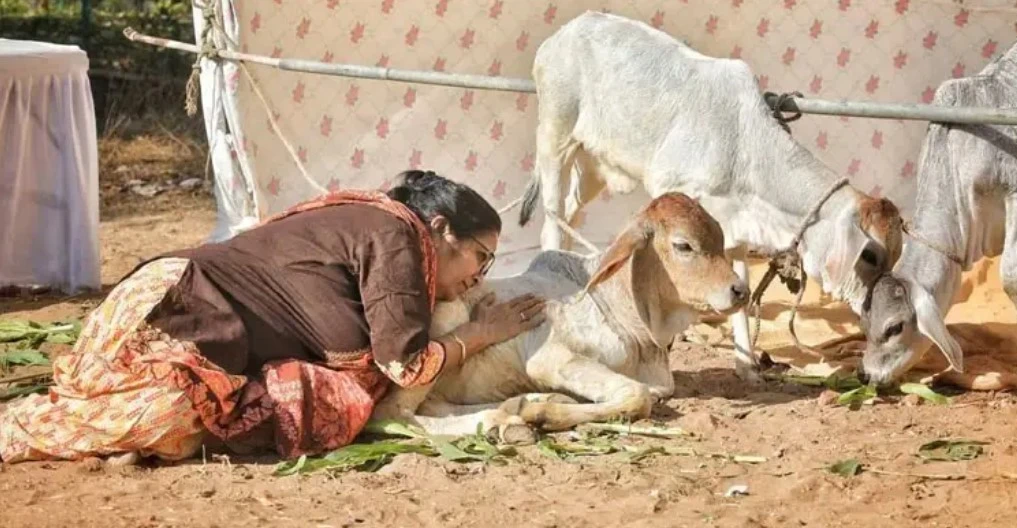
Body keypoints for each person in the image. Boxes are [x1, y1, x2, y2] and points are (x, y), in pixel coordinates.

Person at [0, 170, 545, 463]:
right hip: (182, 315)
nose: (481, 274)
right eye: (482, 255)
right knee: (142, 418)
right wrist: (480, 333)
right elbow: (405, 366)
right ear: (442, 228)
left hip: (165, 299)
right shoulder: (399, 235)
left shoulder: (369, 222)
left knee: (131, 419)